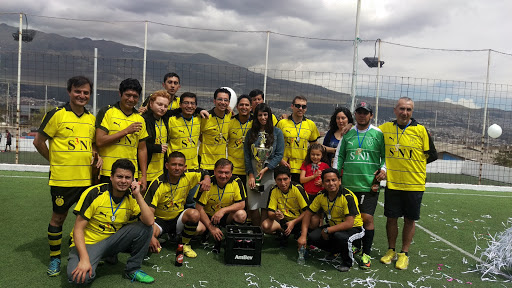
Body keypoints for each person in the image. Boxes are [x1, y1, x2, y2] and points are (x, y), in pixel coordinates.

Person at [33, 76, 102, 277]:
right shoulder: (57, 114)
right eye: (78, 91)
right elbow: (39, 142)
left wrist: (97, 157)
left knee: (87, 219)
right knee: (59, 218)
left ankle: (84, 253)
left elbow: (93, 145)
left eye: (86, 92)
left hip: (86, 180)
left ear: (90, 94)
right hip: (63, 180)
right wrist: (54, 161)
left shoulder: (91, 119)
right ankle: (55, 257)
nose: (82, 95)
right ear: (69, 92)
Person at [67, 159, 155, 284]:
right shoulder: (94, 193)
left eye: (127, 177)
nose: (123, 181)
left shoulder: (132, 196)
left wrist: (138, 195)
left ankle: (133, 269)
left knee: (145, 228)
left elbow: (150, 221)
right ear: (111, 177)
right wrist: (84, 259)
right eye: (119, 176)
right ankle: (97, 257)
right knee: (78, 279)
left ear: (132, 180)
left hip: (113, 241)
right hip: (89, 244)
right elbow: (78, 229)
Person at [378, 97, 437, 270]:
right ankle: (391, 251)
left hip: (414, 185)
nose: (405, 112)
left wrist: (414, 166)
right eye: (402, 109)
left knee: (410, 220)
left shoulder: (421, 130)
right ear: (395, 110)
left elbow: (431, 154)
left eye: (409, 109)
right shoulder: (384, 129)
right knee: (391, 218)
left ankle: (404, 253)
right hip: (393, 184)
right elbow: (368, 133)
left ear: (412, 112)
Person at [334, 101, 386, 269]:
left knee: (367, 218)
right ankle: (353, 246)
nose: (362, 115)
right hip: (348, 184)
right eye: (359, 112)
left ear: (371, 115)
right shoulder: (347, 134)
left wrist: (384, 169)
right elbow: (339, 156)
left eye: (366, 112)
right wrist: (335, 176)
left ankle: (366, 252)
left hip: (369, 185)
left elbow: (385, 157)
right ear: (355, 114)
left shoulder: (378, 134)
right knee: (349, 219)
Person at [144, 151, 211, 258]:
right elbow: (148, 214)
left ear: (185, 167)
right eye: (173, 164)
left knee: (199, 225)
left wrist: (207, 179)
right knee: (147, 241)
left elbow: (204, 172)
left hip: (177, 218)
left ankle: (184, 244)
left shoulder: (189, 176)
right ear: (167, 166)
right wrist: (151, 236)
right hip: (159, 220)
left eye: (180, 165)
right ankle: (163, 235)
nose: (177, 168)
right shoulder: (157, 184)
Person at [297, 168, 364, 272]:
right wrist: (303, 236)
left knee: (339, 236)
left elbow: (349, 223)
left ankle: (347, 261)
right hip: (334, 226)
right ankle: (335, 251)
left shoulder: (347, 196)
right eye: (327, 181)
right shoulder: (321, 195)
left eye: (334, 180)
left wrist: (328, 230)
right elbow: (307, 214)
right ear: (323, 183)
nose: (331, 183)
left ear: (339, 181)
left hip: (354, 228)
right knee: (313, 236)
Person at [95, 78, 149, 190]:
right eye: (128, 95)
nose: (131, 99)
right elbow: (100, 141)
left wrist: (143, 175)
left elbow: (142, 149)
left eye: (135, 96)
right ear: (120, 94)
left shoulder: (140, 119)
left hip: (130, 175)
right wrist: (126, 131)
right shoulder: (107, 112)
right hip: (108, 173)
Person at [244, 103, 284, 226]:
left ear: (269, 115)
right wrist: (251, 175)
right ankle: (256, 231)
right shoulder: (250, 133)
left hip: (269, 173)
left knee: (266, 203)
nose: (263, 118)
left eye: (265, 114)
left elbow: (279, 154)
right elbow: (247, 155)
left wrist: (266, 169)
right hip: (254, 172)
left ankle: (262, 230)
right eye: (260, 115)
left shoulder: (277, 133)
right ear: (256, 117)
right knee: (253, 204)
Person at [261, 166, 320, 247]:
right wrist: (276, 215)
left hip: (299, 220)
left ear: (290, 178)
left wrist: (293, 222)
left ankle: (302, 233)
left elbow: (307, 211)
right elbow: (270, 213)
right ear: (275, 180)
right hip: (284, 221)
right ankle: (282, 232)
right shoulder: (273, 190)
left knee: (315, 219)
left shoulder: (297, 188)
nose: (283, 183)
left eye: (285, 179)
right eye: (279, 180)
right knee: (265, 225)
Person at [195, 158, 246, 247]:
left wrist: (222, 210)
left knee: (241, 214)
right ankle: (206, 232)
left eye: (226, 172)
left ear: (231, 172)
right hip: (208, 217)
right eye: (220, 172)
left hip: (225, 216)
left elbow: (242, 204)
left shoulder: (237, 181)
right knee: (196, 228)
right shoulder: (207, 184)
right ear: (214, 171)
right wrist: (211, 228)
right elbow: (198, 208)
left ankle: (230, 235)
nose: (223, 175)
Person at [277, 96, 320, 183]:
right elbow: (274, 144)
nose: (300, 108)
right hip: (285, 166)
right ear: (292, 106)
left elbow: (315, 146)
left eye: (303, 106)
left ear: (306, 109)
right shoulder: (282, 123)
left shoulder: (311, 124)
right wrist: (280, 160)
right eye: (298, 106)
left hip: (303, 169)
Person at [199, 88, 232, 173]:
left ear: (228, 103)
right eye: (220, 99)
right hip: (205, 164)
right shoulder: (206, 117)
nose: (223, 102)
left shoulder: (229, 116)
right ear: (214, 101)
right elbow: (197, 134)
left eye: (226, 100)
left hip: (221, 165)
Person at [141, 90, 170, 184]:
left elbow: (180, 110)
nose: (162, 108)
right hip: (146, 172)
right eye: (159, 104)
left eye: (165, 106)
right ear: (151, 103)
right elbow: (140, 145)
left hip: (160, 172)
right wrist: (157, 148)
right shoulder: (144, 120)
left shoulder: (165, 119)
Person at [227, 95, 252, 185]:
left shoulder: (255, 123)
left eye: (246, 105)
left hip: (250, 170)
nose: (244, 107)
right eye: (241, 105)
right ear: (237, 107)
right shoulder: (230, 122)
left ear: (251, 107)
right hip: (233, 169)